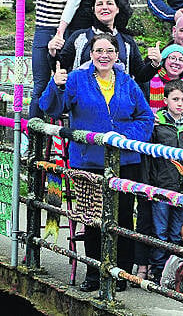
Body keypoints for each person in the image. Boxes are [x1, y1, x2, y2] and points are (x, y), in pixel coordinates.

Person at [39, 34, 154, 292]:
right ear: (90, 54)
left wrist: (123, 139)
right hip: (89, 161)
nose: (104, 55)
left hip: (126, 160)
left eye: (110, 50)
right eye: (99, 50)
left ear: (117, 56)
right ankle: (93, 273)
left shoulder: (127, 82)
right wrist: (55, 85)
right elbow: (51, 108)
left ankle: (121, 273)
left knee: (124, 217)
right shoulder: (77, 79)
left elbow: (146, 117)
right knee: (92, 217)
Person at [48, 0, 160, 82]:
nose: (104, 7)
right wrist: (53, 52)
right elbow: (60, 66)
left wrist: (154, 63)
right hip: (82, 100)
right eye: (99, 4)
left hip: (117, 102)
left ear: (117, 9)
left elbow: (140, 76)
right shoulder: (79, 37)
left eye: (109, 3)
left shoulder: (127, 41)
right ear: (93, 9)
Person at [148, 80, 183, 284]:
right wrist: (151, 180)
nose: (179, 103)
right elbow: (150, 154)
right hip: (162, 182)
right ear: (165, 99)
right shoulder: (157, 123)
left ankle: (174, 272)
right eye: (175, 99)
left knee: (177, 231)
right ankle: (158, 269)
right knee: (160, 230)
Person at [147, 44, 183, 114]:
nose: (176, 62)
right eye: (172, 58)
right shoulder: (149, 80)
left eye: (181, 60)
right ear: (164, 60)